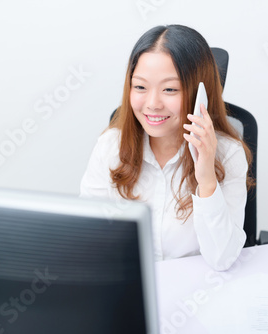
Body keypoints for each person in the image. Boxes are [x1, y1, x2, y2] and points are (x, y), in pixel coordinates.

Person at [80, 24, 254, 271]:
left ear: (199, 95)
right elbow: (88, 238)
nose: (152, 104)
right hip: (130, 289)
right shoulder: (110, 147)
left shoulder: (228, 155)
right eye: (140, 87)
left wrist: (206, 178)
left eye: (170, 89)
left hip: (197, 293)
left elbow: (222, 259)